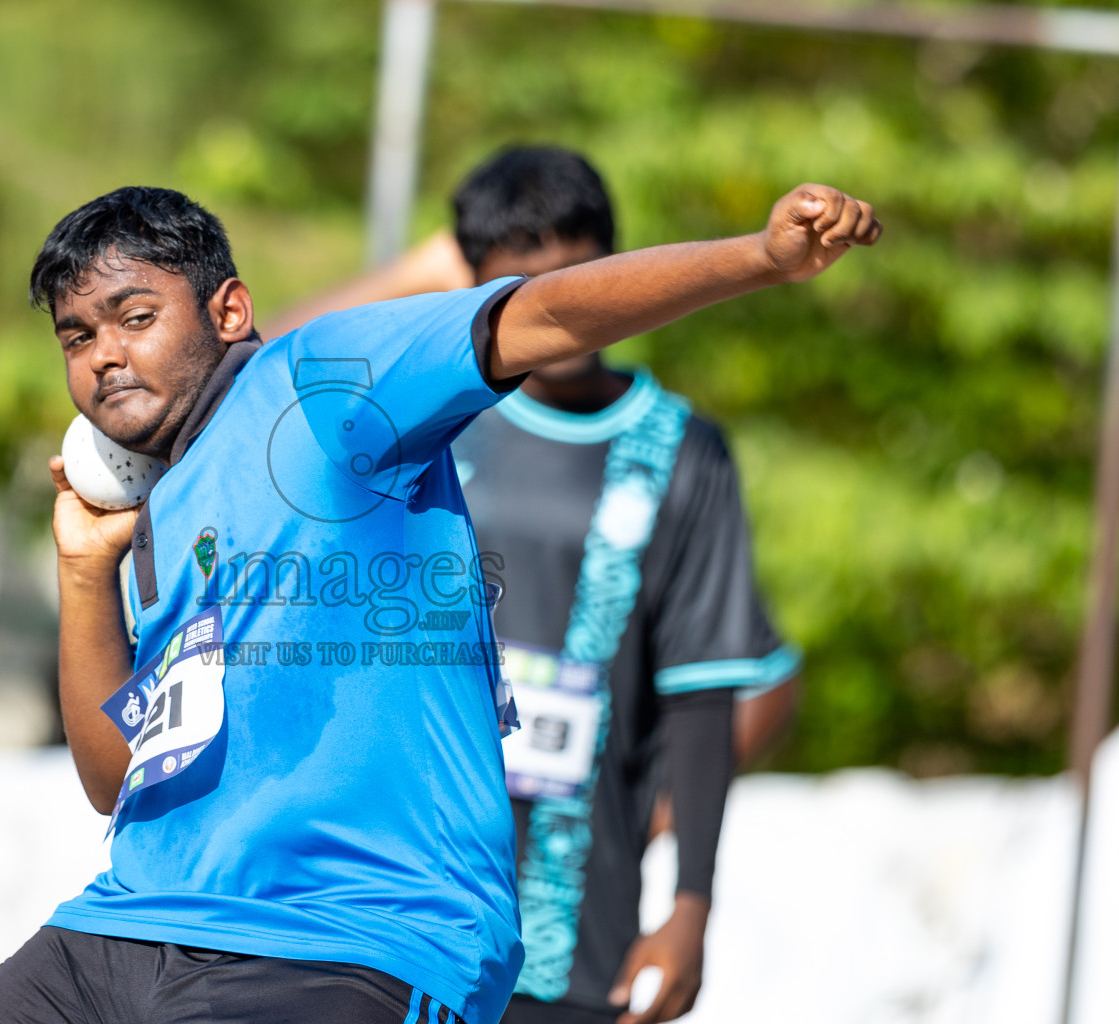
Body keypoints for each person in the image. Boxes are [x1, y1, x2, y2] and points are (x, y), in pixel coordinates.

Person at [0, 181, 878, 1024]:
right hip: (130, 922)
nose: (106, 355)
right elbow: (116, 779)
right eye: (78, 337)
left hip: (351, 939)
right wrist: (84, 572)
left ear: (230, 310)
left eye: (134, 316)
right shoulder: (156, 510)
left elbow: (541, 313)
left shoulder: (320, 383)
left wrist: (760, 258)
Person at [267, 146, 801, 1024]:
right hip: (384, 916)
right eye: (520, 286)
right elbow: (263, 379)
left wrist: (691, 907)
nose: (559, 308)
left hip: (575, 936)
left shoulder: (683, 450)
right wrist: (423, 272)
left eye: (581, 276)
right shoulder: (420, 420)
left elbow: (708, 688)